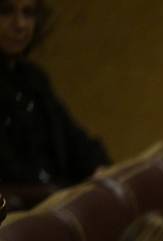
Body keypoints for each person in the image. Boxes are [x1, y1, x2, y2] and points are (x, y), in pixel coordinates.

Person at [0, 0, 109, 188]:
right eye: (6, 12)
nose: (20, 24)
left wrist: (98, 167)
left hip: (53, 201)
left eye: (28, 13)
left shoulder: (33, 77)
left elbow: (73, 139)